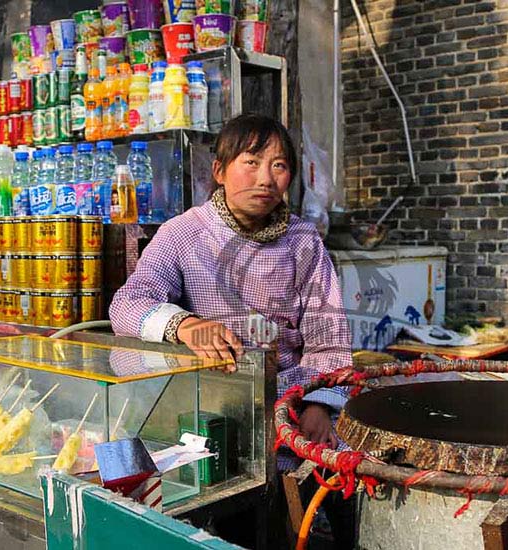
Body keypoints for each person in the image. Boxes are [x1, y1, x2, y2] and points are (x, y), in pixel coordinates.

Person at [109, 113, 353, 456]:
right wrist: (185, 325)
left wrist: (319, 405)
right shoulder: (183, 233)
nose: (266, 179)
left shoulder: (303, 242)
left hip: (288, 406)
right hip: (205, 407)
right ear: (220, 171)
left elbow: (328, 338)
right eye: (251, 162)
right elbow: (128, 302)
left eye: (279, 166)